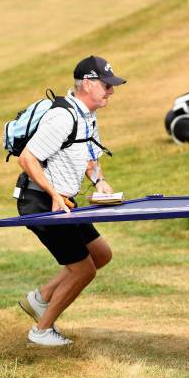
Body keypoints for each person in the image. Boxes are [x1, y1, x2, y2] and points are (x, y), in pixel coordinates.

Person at [15, 55, 126, 346]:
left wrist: (99, 181)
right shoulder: (62, 117)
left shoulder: (87, 115)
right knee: (83, 269)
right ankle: (41, 331)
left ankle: (40, 298)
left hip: (64, 201)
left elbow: (89, 155)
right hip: (40, 201)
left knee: (101, 255)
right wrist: (53, 195)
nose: (111, 91)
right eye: (106, 85)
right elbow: (28, 158)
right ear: (87, 84)